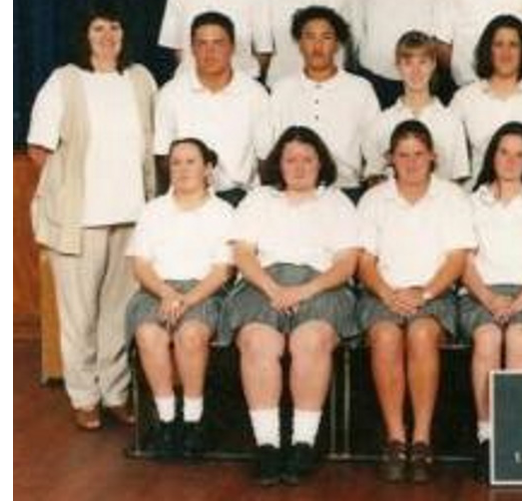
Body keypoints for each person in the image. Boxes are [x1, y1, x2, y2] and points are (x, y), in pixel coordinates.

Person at [28, 0, 158, 431]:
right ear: (84, 34)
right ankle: (84, 396)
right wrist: (65, 193)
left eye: (115, 27)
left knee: (118, 313)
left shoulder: (140, 79)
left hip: (132, 216)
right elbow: (39, 149)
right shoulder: (65, 81)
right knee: (79, 315)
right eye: (98, 28)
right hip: (80, 220)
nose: (107, 37)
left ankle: (115, 393)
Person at [225, 126, 362, 486]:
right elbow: (243, 254)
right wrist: (273, 288)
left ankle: (303, 443)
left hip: (321, 285)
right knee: (258, 342)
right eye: (291, 160)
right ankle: (268, 445)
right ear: (278, 164)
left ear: (321, 164)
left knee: (310, 341)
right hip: (263, 284)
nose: (299, 167)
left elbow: (346, 264)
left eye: (307, 160)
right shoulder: (259, 199)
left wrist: (303, 291)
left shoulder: (337, 202)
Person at [356, 120, 476, 484]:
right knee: (386, 335)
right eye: (403, 155)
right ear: (390, 158)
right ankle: (396, 439)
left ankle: (422, 440)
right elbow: (364, 261)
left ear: (433, 157)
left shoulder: (452, 197)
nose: (411, 162)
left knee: (422, 334)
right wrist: (388, 294)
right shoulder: (374, 199)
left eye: (418, 154)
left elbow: (456, 259)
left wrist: (423, 293)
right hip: (383, 292)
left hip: (433, 293)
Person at [460, 122, 522, 482]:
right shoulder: (471, 202)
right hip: (479, 294)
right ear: (492, 156)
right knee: (488, 338)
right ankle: (487, 436)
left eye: (520, 154)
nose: (511, 160)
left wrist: (519, 302)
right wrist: (489, 299)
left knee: (518, 338)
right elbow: (463, 261)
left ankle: (517, 438)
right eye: (504, 152)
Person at [124, 138, 234, 460]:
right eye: (176, 162)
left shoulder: (223, 212)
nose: (183, 169)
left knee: (190, 335)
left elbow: (223, 270)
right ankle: (167, 421)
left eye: (191, 162)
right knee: (149, 334)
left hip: (205, 291)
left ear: (208, 169)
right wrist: (167, 293)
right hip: (157, 289)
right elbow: (140, 265)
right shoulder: (153, 210)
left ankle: (193, 422)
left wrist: (185, 300)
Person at [154, 11, 271, 206]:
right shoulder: (171, 93)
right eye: (202, 44)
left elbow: (265, 157)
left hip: (241, 199)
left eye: (218, 43)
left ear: (232, 47)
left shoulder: (255, 94)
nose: (210, 52)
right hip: (188, 197)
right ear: (192, 48)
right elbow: (162, 155)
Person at [269, 5, 381, 200]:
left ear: (337, 44)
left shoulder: (360, 88)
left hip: (345, 189)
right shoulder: (282, 89)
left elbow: (375, 148)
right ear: (299, 43)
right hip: (295, 191)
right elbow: (273, 146)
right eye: (310, 37)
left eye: (326, 37)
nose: (317, 45)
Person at [449, 15, 522, 189]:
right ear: (488, 50)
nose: (505, 52)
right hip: (477, 197)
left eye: (513, 45)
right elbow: (451, 164)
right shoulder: (464, 99)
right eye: (498, 44)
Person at [362, 30, 469, 185]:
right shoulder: (381, 122)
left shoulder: (451, 121)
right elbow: (373, 178)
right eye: (408, 63)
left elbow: (457, 180)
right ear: (398, 66)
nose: (416, 71)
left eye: (423, 62)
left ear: (433, 64)